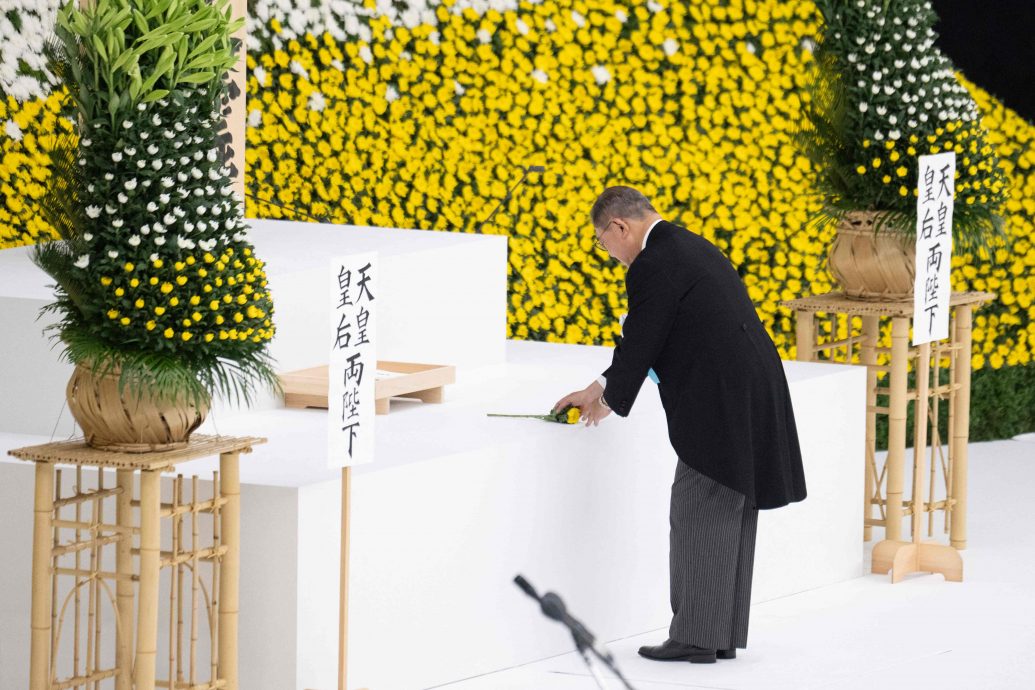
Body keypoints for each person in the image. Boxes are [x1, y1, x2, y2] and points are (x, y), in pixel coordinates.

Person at [552, 186, 806, 664]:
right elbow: (655, 334)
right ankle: (719, 632)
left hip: (722, 399)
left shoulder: (652, 264)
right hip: (749, 386)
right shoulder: (686, 244)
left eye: (601, 241)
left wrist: (608, 398)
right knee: (730, 505)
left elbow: (645, 337)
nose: (607, 254)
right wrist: (602, 387)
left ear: (619, 228)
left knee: (698, 505)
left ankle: (694, 635)